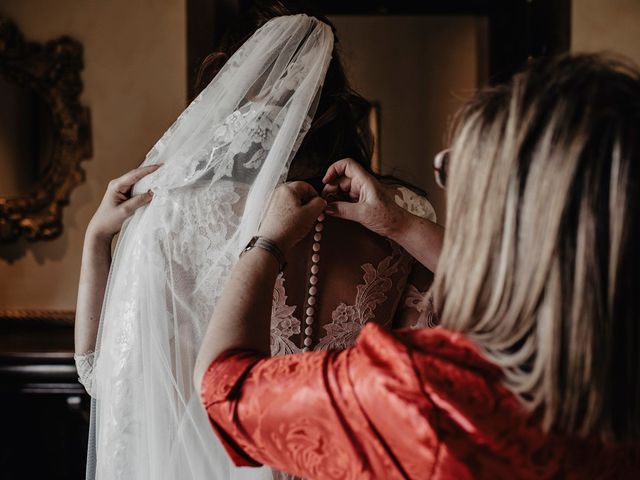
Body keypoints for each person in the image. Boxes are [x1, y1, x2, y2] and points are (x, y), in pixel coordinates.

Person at [195, 53, 640, 479]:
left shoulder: (426, 395)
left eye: (459, 169)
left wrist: (269, 242)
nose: (439, 166)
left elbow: (224, 389)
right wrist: (398, 224)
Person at [74, 6, 436, 480]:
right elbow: (427, 365)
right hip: (351, 462)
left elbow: (102, 372)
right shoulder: (402, 212)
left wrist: (97, 240)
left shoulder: (177, 213)